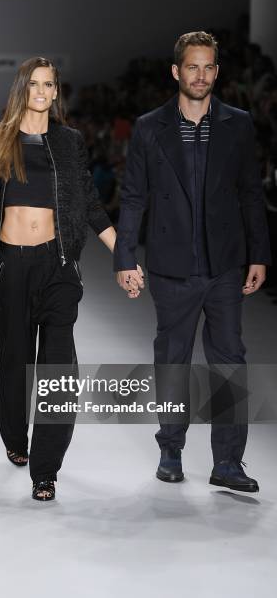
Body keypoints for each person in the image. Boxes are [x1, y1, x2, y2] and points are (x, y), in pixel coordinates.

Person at [114, 32, 271, 492]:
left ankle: (228, 463)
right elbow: (135, 195)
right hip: (171, 264)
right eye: (192, 67)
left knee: (230, 362)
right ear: (176, 71)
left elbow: (250, 193)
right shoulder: (149, 127)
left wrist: (259, 253)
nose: (200, 75)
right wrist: (126, 256)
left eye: (208, 68)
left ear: (216, 73)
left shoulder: (238, 124)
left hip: (224, 263)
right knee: (173, 359)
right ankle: (171, 448)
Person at [0, 57, 119, 501]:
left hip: (58, 264)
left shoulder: (69, 142)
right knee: (15, 362)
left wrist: (125, 254)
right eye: (34, 84)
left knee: (59, 370)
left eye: (49, 85)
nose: (41, 92)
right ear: (22, 88)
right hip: (13, 265)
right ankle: (15, 440)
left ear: (57, 91)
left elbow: (90, 203)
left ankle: (46, 470)